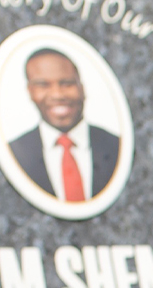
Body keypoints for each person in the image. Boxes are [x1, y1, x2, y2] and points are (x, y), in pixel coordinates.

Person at [7, 47, 121, 205]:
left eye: (67, 84)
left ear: (82, 87)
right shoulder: (14, 153)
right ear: (30, 91)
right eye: (43, 85)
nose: (58, 95)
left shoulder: (117, 147)